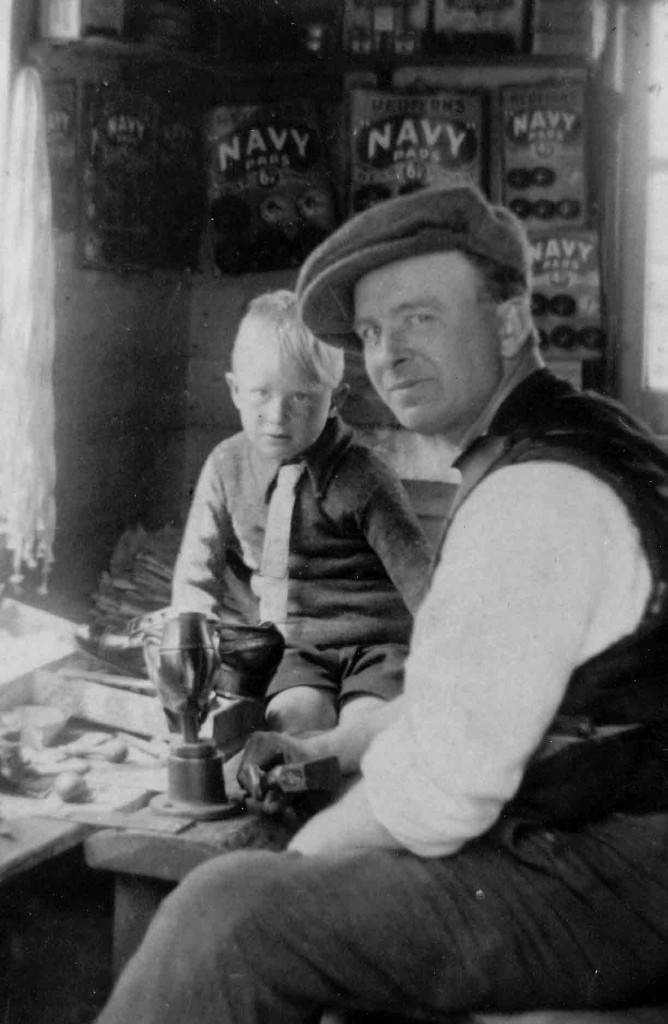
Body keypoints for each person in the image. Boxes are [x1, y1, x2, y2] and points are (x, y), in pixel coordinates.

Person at [94, 185, 668, 1024]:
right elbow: (474, 709)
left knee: (224, 918)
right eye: (369, 332)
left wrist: (299, 861)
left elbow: (443, 792)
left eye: (420, 318)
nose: (388, 353)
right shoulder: (587, 436)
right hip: (609, 836)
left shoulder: (537, 496)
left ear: (509, 323)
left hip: (615, 870)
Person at [170, 289, 431, 734]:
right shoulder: (224, 465)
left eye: (302, 399)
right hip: (293, 651)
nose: (277, 417)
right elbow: (195, 575)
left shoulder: (364, 475)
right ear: (235, 391)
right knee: (293, 720)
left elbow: (422, 582)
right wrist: (188, 649)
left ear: (337, 398)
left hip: (377, 645)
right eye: (261, 394)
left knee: (366, 728)